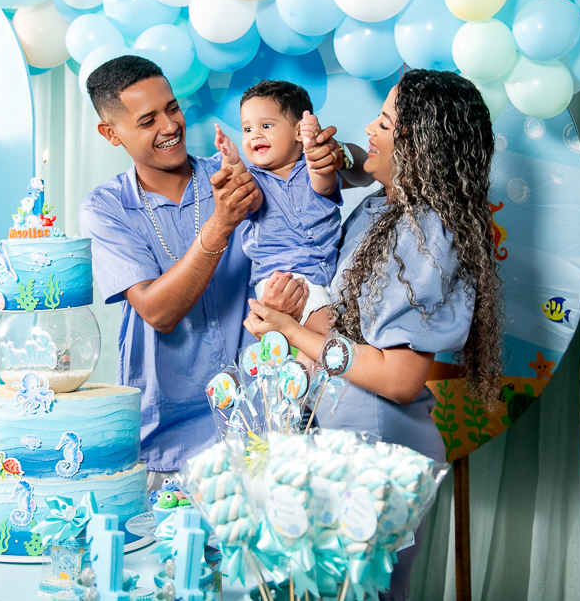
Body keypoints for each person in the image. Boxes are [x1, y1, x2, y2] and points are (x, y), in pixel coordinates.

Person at [245, 69, 503, 600]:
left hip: (379, 442)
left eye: (384, 123)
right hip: (339, 434)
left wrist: (292, 330)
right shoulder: (378, 210)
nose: (369, 129)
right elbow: (345, 328)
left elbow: (399, 379)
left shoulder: (427, 233)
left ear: (417, 146)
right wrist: (293, 314)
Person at [77, 56, 348, 481]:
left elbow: (313, 186)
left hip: (266, 428)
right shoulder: (106, 208)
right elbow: (157, 312)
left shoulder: (243, 176)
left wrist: (336, 154)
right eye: (148, 120)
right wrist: (221, 223)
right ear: (111, 133)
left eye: (172, 108)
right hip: (171, 440)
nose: (170, 126)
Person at [214, 80, 345, 325]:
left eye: (266, 126)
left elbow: (325, 185)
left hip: (329, 272)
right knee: (329, 331)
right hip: (285, 279)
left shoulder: (313, 168)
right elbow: (250, 200)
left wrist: (313, 147)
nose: (255, 135)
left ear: (299, 132)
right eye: (247, 129)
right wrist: (232, 163)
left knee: (338, 332)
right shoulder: (254, 179)